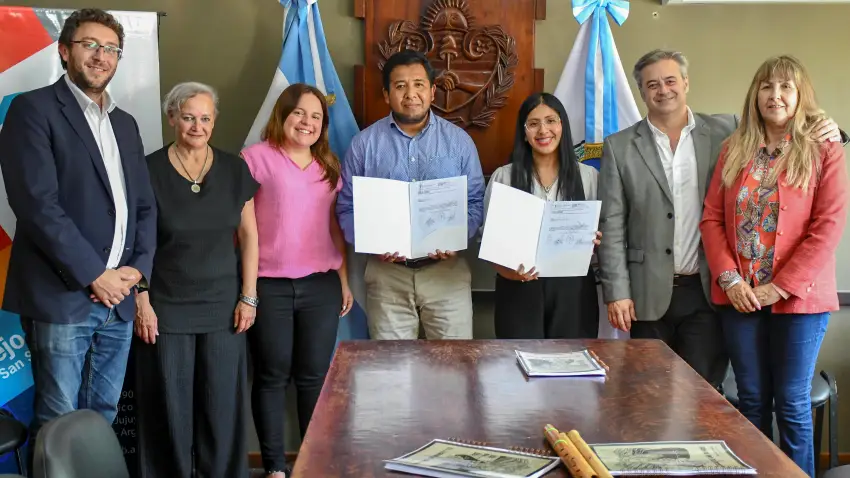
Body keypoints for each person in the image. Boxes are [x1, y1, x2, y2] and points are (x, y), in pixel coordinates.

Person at [597, 49, 840, 389]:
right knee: (648, 395)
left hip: (707, 292)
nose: (663, 90)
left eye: (670, 80)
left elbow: (785, 124)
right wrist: (616, 292)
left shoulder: (727, 130)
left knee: (704, 398)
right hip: (645, 294)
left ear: (686, 82)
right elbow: (611, 224)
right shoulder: (619, 146)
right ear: (641, 91)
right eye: (652, 84)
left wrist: (832, 129)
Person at [0, 7, 156, 456]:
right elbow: (36, 205)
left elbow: (144, 207)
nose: (101, 56)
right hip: (63, 296)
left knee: (101, 419)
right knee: (59, 421)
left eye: (111, 49)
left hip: (119, 298)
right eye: (90, 45)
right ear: (65, 50)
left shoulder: (124, 123)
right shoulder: (32, 110)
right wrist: (94, 274)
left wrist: (136, 271)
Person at [700, 55, 848, 477]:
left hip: (799, 300)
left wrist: (779, 287)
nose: (775, 95)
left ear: (801, 96)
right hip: (740, 298)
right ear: (755, 94)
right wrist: (730, 280)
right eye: (767, 86)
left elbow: (828, 226)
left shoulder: (824, 149)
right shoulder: (734, 148)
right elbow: (712, 219)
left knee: (792, 402)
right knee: (751, 400)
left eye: (786, 87)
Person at [134, 82, 259, 478]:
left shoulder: (235, 169)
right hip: (165, 308)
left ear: (214, 121)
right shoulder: (147, 170)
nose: (197, 126)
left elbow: (249, 236)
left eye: (205, 118)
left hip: (224, 307)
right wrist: (141, 300)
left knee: (221, 407)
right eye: (188, 117)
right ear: (172, 118)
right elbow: (135, 241)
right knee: (168, 410)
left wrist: (249, 297)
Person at [241, 83, 353, 478]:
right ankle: (274, 467)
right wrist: (248, 292)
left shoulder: (328, 165)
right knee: (271, 377)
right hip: (268, 285)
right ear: (283, 115)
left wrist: (343, 279)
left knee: (313, 378)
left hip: (320, 285)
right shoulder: (254, 159)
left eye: (316, 116)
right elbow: (243, 229)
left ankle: (311, 465)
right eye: (299, 113)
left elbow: (334, 227)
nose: (307, 122)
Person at [336, 49, 485, 340]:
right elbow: (346, 207)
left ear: (432, 91)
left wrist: (456, 238)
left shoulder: (459, 143)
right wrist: (371, 242)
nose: (410, 94)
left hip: (446, 273)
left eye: (418, 84)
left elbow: (475, 201)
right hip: (387, 274)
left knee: (452, 362)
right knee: (391, 365)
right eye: (400, 86)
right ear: (386, 94)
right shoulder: (363, 145)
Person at [482, 93, 601, 339]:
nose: (543, 130)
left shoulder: (589, 176)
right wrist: (509, 272)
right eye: (533, 123)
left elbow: (607, 231)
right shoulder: (504, 177)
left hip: (574, 290)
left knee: (571, 358)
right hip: (518, 286)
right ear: (523, 132)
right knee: (518, 359)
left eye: (550, 121)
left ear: (562, 125)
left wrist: (598, 239)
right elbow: (487, 240)